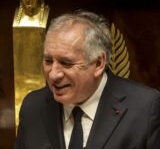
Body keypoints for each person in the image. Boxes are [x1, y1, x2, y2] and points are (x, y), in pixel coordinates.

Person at [15, 10, 160, 149]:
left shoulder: (146, 108)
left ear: (98, 63)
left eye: (66, 63)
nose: (53, 75)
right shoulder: (33, 106)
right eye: (48, 61)